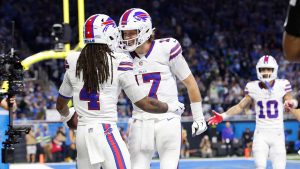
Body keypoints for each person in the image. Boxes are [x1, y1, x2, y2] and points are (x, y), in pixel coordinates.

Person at [56, 14, 184, 169]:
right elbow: (145, 103)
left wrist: (67, 115)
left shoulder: (72, 60)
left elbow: (60, 105)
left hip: (82, 134)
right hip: (105, 131)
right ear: (109, 34)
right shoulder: (118, 61)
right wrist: (170, 107)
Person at [118, 8, 207, 169]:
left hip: (168, 118)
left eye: (132, 32)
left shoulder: (166, 48)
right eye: (125, 33)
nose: (127, 37)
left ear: (145, 30)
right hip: (140, 121)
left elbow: (190, 82)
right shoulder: (122, 56)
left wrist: (199, 117)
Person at [208, 55, 299, 169]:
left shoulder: (282, 84)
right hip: (260, 135)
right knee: (259, 165)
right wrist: (223, 116)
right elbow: (240, 106)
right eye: (262, 69)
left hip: (278, 135)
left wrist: (292, 103)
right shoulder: (252, 87)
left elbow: (290, 101)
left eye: (268, 69)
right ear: (258, 70)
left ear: (274, 69)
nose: (265, 72)